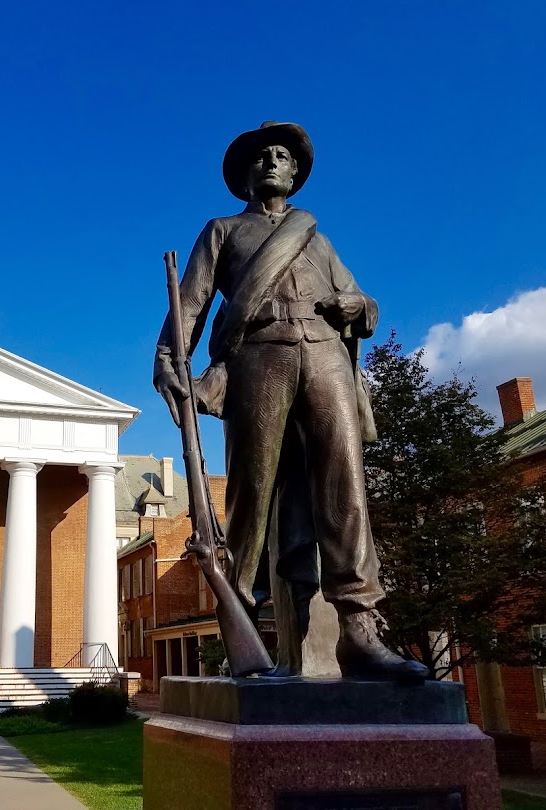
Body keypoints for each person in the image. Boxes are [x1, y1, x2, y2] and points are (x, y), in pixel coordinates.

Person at [154, 122, 427, 681]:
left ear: (296, 173)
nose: (273, 162)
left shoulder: (316, 237)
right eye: (261, 157)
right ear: (246, 175)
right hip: (260, 357)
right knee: (254, 492)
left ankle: (358, 628)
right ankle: (255, 629)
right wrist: (167, 359)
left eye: (283, 156)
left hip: (325, 353)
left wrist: (357, 305)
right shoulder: (223, 231)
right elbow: (192, 303)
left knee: (343, 484)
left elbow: (362, 300)